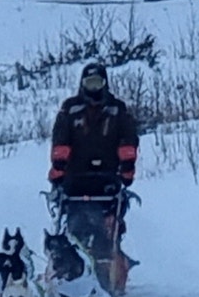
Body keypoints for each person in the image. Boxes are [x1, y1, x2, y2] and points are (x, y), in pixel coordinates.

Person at [48, 60, 139, 233]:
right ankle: (69, 247)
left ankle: (111, 249)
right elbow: (60, 139)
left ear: (105, 83)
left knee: (112, 220)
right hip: (75, 176)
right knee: (73, 216)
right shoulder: (70, 108)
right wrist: (58, 169)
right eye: (90, 83)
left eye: (97, 83)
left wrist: (127, 168)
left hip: (108, 175)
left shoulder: (117, 109)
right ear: (82, 84)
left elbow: (128, 139)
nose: (94, 88)